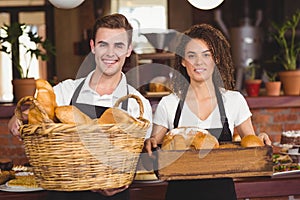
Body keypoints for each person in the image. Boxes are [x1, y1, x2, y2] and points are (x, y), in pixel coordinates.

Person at [8, 13, 152, 200]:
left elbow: (135, 159)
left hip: (112, 195)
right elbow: (35, 112)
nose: (110, 53)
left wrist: (117, 181)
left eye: (118, 45)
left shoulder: (137, 104)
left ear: (128, 50)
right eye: (103, 44)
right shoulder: (66, 91)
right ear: (93, 47)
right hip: (62, 194)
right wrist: (18, 118)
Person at [143, 23, 271, 200]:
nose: (199, 62)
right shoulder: (169, 104)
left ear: (216, 59)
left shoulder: (234, 101)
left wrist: (261, 137)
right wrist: (149, 144)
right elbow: (153, 146)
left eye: (206, 55)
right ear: (182, 60)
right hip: (179, 195)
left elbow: (251, 144)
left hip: (222, 195)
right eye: (191, 55)